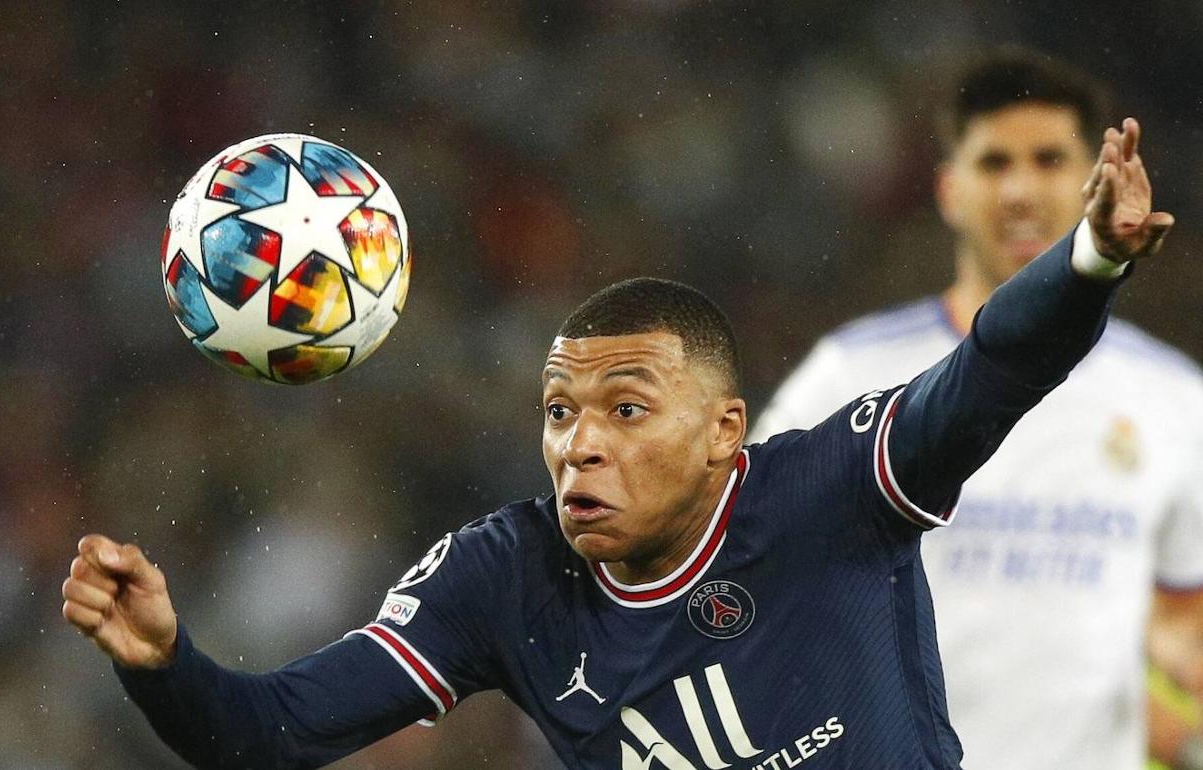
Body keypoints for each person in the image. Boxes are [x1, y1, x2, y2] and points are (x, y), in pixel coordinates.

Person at [62, 115, 1170, 769]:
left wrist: (1089, 260)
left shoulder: (833, 487)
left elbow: (993, 369)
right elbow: (270, 731)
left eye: (627, 407)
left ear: (725, 432)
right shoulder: (505, 577)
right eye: (558, 411)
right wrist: (166, 663)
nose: (580, 444)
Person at [751, 50, 1203, 770]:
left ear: (1097, 179)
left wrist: (1180, 730)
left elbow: (1183, 627)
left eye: (1050, 160)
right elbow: (742, 562)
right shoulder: (847, 374)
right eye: (994, 164)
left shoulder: (1175, 399)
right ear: (948, 190)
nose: (1021, 190)